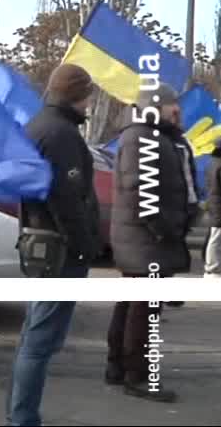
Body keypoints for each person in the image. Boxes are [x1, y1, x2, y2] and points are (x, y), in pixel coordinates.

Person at [6, 63, 102, 427]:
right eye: (88, 95)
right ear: (78, 94)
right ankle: (23, 419)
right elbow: (67, 199)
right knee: (39, 342)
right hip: (59, 250)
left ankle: (18, 415)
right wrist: (84, 246)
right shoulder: (61, 134)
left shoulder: (39, 125)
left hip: (42, 245)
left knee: (33, 337)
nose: (90, 102)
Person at [105, 84, 194, 402]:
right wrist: (165, 231)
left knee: (133, 304)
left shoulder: (154, 136)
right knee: (144, 309)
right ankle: (137, 375)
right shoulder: (142, 137)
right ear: (156, 108)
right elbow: (141, 192)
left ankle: (118, 366)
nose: (178, 110)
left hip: (143, 239)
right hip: (147, 239)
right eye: (173, 105)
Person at [204, 138, 221, 278]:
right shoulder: (219, 164)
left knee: (214, 235)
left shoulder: (212, 163)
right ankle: (212, 267)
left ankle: (212, 266)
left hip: (214, 204)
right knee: (216, 237)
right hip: (218, 205)